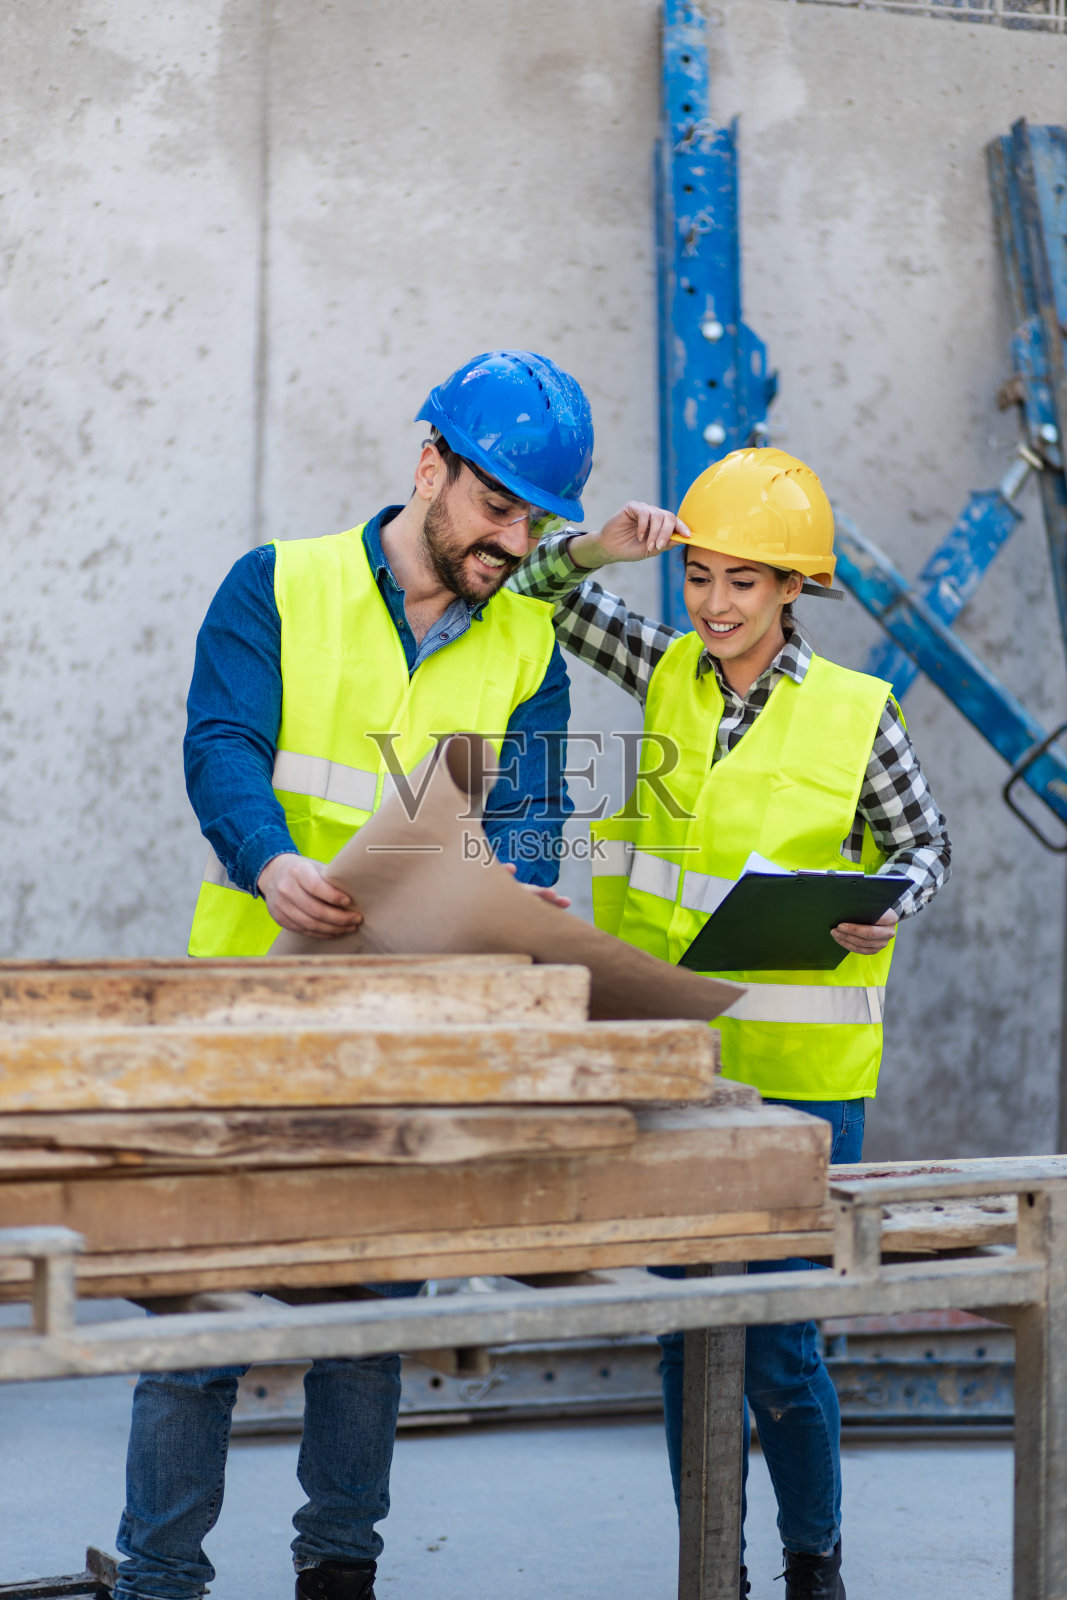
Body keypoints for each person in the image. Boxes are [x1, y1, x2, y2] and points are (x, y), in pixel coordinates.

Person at [115, 350, 606, 1600]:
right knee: (198, 1318)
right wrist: (268, 857)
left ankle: (340, 1572)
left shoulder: (525, 641)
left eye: (535, 521)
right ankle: (161, 1577)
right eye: (495, 508)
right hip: (245, 1010)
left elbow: (536, 804)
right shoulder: (279, 584)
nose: (512, 541)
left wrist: (523, 876)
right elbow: (220, 738)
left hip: (401, 1024)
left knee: (370, 1315)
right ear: (427, 466)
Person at [509, 446, 951, 1600]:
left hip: (804, 1074)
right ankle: (714, 1564)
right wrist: (601, 545)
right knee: (683, 1329)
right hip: (676, 1063)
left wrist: (883, 905)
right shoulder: (661, 670)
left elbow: (923, 848)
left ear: (792, 590)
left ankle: (814, 1562)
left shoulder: (859, 715)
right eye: (700, 575)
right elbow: (532, 588)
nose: (712, 603)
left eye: (742, 582)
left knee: (779, 1338)